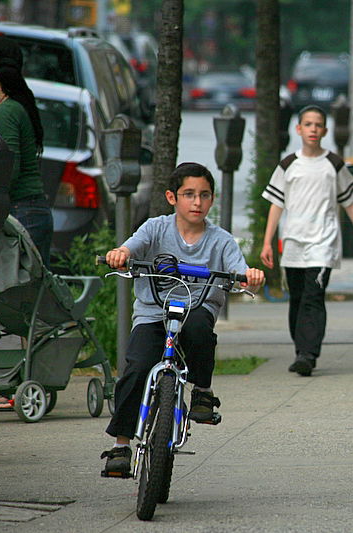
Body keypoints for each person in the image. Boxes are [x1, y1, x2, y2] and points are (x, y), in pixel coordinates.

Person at [101, 162, 265, 477]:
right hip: (154, 311)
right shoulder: (155, 228)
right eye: (188, 194)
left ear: (212, 200)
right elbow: (129, 247)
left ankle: (202, 392)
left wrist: (250, 277)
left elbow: (239, 269)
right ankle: (121, 446)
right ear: (172, 197)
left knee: (200, 329)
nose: (197, 202)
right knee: (136, 368)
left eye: (204, 195)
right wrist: (120, 253)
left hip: (197, 308)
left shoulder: (221, 241)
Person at [261, 105, 353, 377]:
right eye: (308, 124)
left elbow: (350, 203)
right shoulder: (288, 164)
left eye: (318, 125)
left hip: (323, 242)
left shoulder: (334, 164)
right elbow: (276, 204)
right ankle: (300, 349)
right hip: (293, 243)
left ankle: (308, 354)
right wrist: (268, 242)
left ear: (325, 130)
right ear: (299, 129)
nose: (313, 129)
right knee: (298, 298)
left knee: (313, 296)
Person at [0, 36, 53, 267]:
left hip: (21, 213)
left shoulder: (7, 111)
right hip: (32, 211)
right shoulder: (18, 104)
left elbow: (7, 169)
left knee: (11, 297)